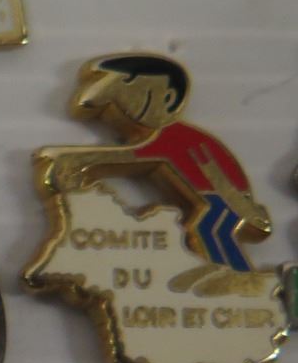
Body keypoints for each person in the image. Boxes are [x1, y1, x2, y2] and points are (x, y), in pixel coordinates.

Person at [39, 53, 273, 278]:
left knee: (208, 231)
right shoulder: (168, 136)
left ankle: (236, 277)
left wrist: (72, 158)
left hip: (222, 196)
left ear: (168, 99)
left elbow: (130, 157)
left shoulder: (172, 136)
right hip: (216, 195)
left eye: (137, 96)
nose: (123, 108)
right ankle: (231, 277)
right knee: (210, 230)